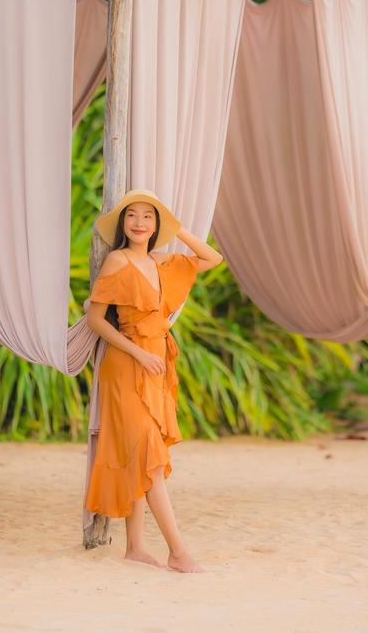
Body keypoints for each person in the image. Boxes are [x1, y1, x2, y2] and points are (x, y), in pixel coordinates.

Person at [84, 188, 223, 573]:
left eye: (148, 216)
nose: (140, 223)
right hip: (128, 363)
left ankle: (134, 547)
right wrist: (138, 353)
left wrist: (177, 228)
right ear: (122, 224)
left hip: (157, 361)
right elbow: (97, 319)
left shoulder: (162, 262)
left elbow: (213, 257)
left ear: (157, 224)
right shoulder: (117, 261)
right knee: (150, 457)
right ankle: (178, 551)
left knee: (143, 454)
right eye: (132, 216)